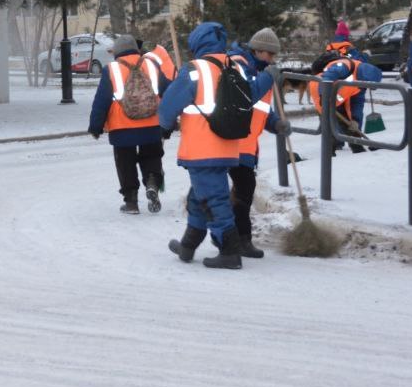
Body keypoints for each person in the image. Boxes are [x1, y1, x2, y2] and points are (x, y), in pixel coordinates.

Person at [158, 21, 246, 270]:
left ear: (197, 42)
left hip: (202, 148)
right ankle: (188, 245)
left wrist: (165, 126)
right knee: (199, 197)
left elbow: (167, 108)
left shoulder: (195, 70)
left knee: (213, 199)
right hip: (227, 145)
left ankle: (229, 251)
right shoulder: (234, 66)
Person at [87, 34, 171, 214]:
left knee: (125, 162)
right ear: (136, 49)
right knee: (152, 155)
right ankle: (152, 182)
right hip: (152, 122)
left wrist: (95, 126)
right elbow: (168, 90)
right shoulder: (152, 64)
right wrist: (169, 121)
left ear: (116, 52)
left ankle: (131, 202)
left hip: (121, 126)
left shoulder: (111, 69)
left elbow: (101, 101)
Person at [227, 27, 291, 259]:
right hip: (232, 141)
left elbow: (262, 108)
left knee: (241, 190)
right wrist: (267, 77)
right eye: (269, 54)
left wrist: (276, 124)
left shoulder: (260, 70)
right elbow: (246, 96)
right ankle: (241, 240)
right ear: (258, 50)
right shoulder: (238, 65)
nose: (272, 60)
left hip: (247, 144)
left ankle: (228, 234)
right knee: (245, 188)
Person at [311, 53, 384, 154]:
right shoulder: (344, 66)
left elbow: (358, 103)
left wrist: (355, 120)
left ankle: (357, 147)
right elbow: (327, 77)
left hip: (340, 96)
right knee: (328, 121)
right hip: (320, 91)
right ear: (365, 79)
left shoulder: (361, 84)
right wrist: (324, 96)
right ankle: (329, 151)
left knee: (349, 122)